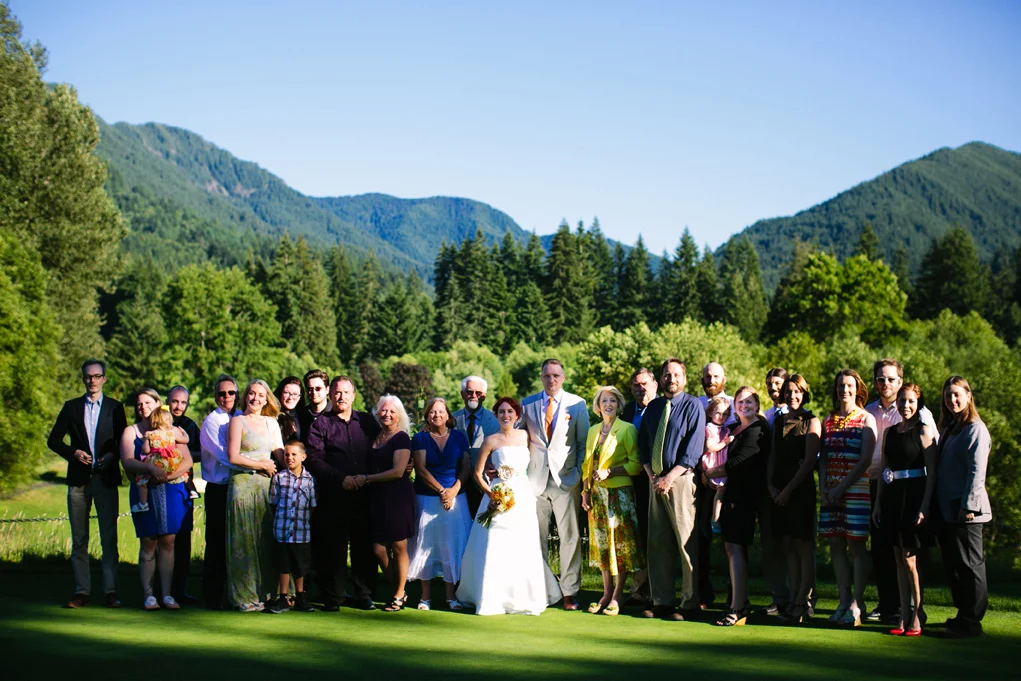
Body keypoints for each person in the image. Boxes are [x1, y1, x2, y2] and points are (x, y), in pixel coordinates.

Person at [457, 397, 563, 615]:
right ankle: (492, 596)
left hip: (522, 492)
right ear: (496, 415)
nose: (506, 416)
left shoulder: (525, 436)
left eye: (510, 412)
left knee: (523, 542)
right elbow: (477, 473)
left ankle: (525, 595)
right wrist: (491, 494)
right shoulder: (490, 440)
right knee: (495, 540)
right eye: (501, 412)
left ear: (517, 415)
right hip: (497, 494)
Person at [47, 359, 127, 609]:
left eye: (96, 376)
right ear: (83, 379)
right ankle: (82, 591)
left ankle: (111, 591)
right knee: (79, 538)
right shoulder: (71, 407)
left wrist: (112, 456)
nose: (92, 380)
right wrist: (73, 453)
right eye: (88, 376)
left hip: (106, 478)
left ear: (104, 378)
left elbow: (123, 441)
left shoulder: (115, 407)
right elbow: (54, 440)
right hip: (78, 481)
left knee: (109, 537)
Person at [864, 359, 937, 623]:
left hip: (913, 493)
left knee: (910, 558)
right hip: (884, 489)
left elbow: (931, 466)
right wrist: (878, 501)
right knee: (887, 554)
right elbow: (884, 461)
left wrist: (925, 505)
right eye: (881, 379)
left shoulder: (923, 423)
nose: (885, 383)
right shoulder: (873, 416)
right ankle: (894, 609)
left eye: (891, 379)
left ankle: (917, 611)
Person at [305, 375, 381, 611]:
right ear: (330, 395)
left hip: (365, 493)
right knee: (333, 550)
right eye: (337, 392)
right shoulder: (320, 425)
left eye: (346, 392)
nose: (341, 397)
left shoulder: (367, 422)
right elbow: (314, 460)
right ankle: (334, 597)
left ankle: (364, 595)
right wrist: (342, 479)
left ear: (353, 395)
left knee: (363, 548)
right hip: (334, 495)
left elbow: (382, 447)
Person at [520, 358, 590, 610]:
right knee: (536, 537)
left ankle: (569, 591)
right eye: (547, 376)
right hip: (535, 480)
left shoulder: (577, 404)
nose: (552, 380)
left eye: (556, 376)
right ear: (541, 377)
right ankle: (542, 588)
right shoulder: (527, 404)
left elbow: (583, 443)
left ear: (563, 378)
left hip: (566, 480)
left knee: (569, 536)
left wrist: (578, 474)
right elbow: (518, 439)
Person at [638, 359, 705, 621]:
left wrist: (669, 478)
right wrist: (653, 476)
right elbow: (644, 444)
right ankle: (662, 601)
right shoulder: (654, 407)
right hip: (655, 482)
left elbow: (693, 449)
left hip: (681, 482)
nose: (671, 379)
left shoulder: (693, 406)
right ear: (660, 379)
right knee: (658, 544)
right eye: (667, 375)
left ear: (684, 379)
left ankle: (689, 603)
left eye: (676, 375)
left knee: (685, 544)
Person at [120, 388, 193, 610]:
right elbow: (127, 461)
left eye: (147, 403)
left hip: (170, 489)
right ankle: (149, 595)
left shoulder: (172, 430)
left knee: (168, 541)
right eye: (139, 404)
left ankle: (167, 595)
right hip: (145, 488)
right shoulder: (131, 432)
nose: (143, 407)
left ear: (158, 404)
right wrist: (151, 469)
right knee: (148, 541)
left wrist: (167, 476)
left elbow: (187, 461)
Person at [705, 387, 769, 626]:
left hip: (744, 497)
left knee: (736, 548)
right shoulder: (731, 428)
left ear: (757, 405)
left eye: (749, 402)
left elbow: (738, 462)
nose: (744, 405)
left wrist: (709, 472)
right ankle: (739, 601)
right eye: (740, 401)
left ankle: (738, 607)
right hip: (728, 495)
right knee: (730, 548)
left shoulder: (758, 429)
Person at [819, 369, 878, 627]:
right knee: (835, 543)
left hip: (855, 491)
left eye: (850, 385)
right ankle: (843, 600)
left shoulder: (866, 419)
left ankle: (857, 601)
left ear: (858, 388)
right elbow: (823, 457)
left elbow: (865, 459)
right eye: (841, 385)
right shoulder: (828, 420)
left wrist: (842, 487)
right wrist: (824, 486)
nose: (845, 390)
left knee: (856, 545)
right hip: (831, 491)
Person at [936, 376, 991, 638]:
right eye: (948, 395)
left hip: (967, 510)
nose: (952, 399)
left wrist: (969, 506)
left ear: (969, 396)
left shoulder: (975, 429)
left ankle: (972, 620)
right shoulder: (951, 427)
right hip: (948, 508)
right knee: (955, 565)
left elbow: (977, 472)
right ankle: (963, 614)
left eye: (957, 394)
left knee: (971, 566)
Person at [581, 386, 643, 616]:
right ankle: (606, 593)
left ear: (619, 405)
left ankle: (618, 595)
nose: (608, 405)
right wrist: (585, 491)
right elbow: (587, 464)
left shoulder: (627, 429)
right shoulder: (593, 430)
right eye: (604, 401)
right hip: (597, 496)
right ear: (598, 405)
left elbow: (636, 465)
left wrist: (610, 472)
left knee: (620, 545)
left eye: (613, 401)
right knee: (602, 546)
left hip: (619, 496)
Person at [352, 394, 416, 612]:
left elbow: (398, 471)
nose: (387, 414)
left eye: (392, 411)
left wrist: (367, 478)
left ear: (399, 415)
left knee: (398, 547)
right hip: (377, 498)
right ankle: (400, 588)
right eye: (383, 410)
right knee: (379, 550)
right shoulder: (375, 435)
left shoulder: (401, 438)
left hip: (397, 498)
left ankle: (398, 594)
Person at [408, 397, 472, 611]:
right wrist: (442, 491)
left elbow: (466, 466)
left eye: (441, 411)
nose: (437, 415)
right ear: (427, 416)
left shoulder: (459, 436)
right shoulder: (420, 438)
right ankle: (425, 597)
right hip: (427, 498)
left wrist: (453, 490)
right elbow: (421, 469)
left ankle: (451, 597)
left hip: (456, 499)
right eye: (432, 412)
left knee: (450, 546)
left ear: (447, 415)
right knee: (425, 545)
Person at [225, 379, 284, 612]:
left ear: (267, 399)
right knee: (244, 540)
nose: (255, 398)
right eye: (251, 393)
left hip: (266, 487)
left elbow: (279, 454)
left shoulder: (272, 423)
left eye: (260, 395)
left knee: (266, 538)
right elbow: (233, 457)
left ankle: (268, 593)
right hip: (242, 485)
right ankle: (244, 596)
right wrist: (261, 465)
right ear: (245, 396)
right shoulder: (237, 421)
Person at [767, 374, 820, 625]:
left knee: (804, 546)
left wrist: (788, 490)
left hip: (800, 490)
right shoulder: (778, 421)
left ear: (804, 393)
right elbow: (772, 456)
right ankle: (791, 598)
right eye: (788, 391)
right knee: (787, 545)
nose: (792, 396)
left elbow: (809, 462)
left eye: (797, 391)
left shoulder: (811, 421)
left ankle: (802, 601)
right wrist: (771, 485)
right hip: (778, 490)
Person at [199, 374, 240, 610]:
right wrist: (255, 464)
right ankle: (214, 596)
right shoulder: (211, 422)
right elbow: (226, 456)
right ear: (216, 396)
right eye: (222, 393)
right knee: (216, 543)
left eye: (231, 392)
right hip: (219, 488)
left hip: (239, 487)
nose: (227, 397)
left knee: (238, 543)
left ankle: (236, 593)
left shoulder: (241, 416)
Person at [620, 367, 658, 604]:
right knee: (634, 535)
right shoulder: (626, 412)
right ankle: (638, 589)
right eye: (636, 384)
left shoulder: (663, 408)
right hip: (628, 481)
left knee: (654, 536)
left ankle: (654, 590)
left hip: (656, 480)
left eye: (644, 384)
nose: (640, 388)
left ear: (654, 385)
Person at [266, 440, 317, 614]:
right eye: (287, 454)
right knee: (283, 565)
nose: (290, 458)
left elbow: (312, 505)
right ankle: (283, 597)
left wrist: (303, 520)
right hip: (282, 530)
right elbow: (273, 502)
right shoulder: (279, 478)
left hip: (301, 532)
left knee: (300, 566)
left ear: (303, 457)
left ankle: (300, 597)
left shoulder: (309, 480)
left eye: (294, 454)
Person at [167, 385, 201, 605]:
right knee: (162, 539)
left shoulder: (190, 426)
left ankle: (179, 590)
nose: (178, 406)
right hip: (159, 485)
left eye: (183, 402)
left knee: (182, 539)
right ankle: (160, 590)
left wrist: (178, 453)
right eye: (175, 401)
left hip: (183, 487)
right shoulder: (158, 422)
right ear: (167, 401)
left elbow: (200, 452)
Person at [452, 375, 500, 517]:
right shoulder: (450, 419)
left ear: (484, 396)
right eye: (469, 392)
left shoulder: (496, 420)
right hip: (458, 483)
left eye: (478, 393)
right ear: (462, 394)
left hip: (485, 482)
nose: (474, 396)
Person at [132, 406, 188, 513]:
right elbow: (185, 440)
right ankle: (191, 489)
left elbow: (146, 450)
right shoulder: (172, 433)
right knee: (185, 472)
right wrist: (184, 433)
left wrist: (145, 441)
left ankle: (143, 503)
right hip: (171, 462)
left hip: (157, 463)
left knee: (141, 479)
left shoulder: (150, 434)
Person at [701, 396, 733, 535]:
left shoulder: (724, 429)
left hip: (721, 461)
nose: (722, 417)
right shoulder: (710, 428)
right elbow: (710, 447)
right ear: (710, 413)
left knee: (722, 490)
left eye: (725, 414)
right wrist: (725, 442)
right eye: (718, 413)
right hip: (713, 461)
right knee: (721, 489)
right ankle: (715, 518)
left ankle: (715, 518)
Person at [297, 369, 332, 445]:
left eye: (318, 389)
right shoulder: (300, 416)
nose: (314, 392)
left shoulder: (337, 414)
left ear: (327, 389)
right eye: (310, 389)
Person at [274, 376, 304, 443]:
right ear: (280, 393)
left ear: (300, 396)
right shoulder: (272, 416)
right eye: (286, 393)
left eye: (295, 394)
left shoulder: (305, 417)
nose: (290, 397)